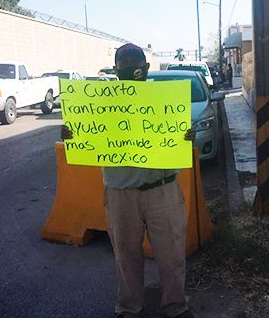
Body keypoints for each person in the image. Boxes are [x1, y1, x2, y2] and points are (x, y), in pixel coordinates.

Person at [61, 43, 195, 318]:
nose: (132, 71)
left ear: (146, 68)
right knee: (125, 255)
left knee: (171, 255)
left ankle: (176, 306)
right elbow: (85, 134)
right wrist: (72, 135)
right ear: (115, 69)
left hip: (163, 189)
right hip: (120, 192)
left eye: (137, 66)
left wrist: (186, 137)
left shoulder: (164, 101)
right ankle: (128, 308)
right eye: (125, 66)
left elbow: (179, 134)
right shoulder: (97, 103)